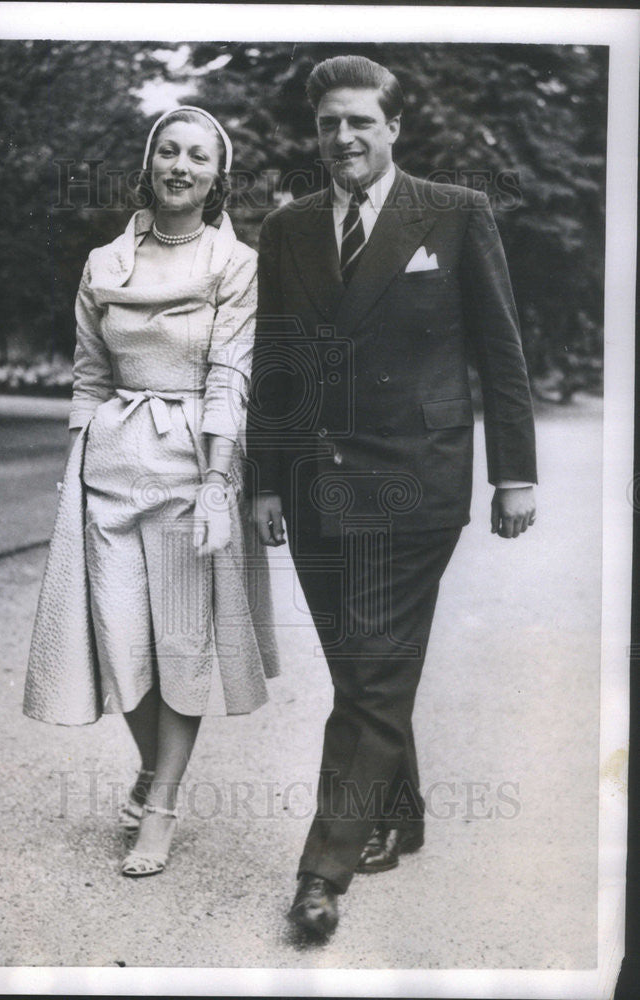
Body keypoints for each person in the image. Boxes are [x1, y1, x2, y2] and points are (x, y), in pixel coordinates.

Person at [247, 55, 537, 937]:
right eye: (329, 124)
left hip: (416, 485)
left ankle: (322, 872)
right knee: (361, 668)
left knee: (372, 671)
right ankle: (399, 811)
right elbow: (278, 366)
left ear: (394, 127)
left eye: (360, 122)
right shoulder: (288, 229)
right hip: (313, 488)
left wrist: (513, 472)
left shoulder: (454, 213)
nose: (343, 138)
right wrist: (264, 480)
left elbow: (501, 346)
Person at [24, 106, 279, 878]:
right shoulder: (105, 261)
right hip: (109, 465)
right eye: (168, 150)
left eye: (197, 157)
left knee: (181, 643)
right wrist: (75, 469)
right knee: (118, 638)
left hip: (190, 465)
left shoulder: (235, 264)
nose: (180, 165)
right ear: (150, 162)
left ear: (216, 174)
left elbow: (230, 374)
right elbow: (90, 375)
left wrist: (214, 482)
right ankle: (153, 770)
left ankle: (161, 805)